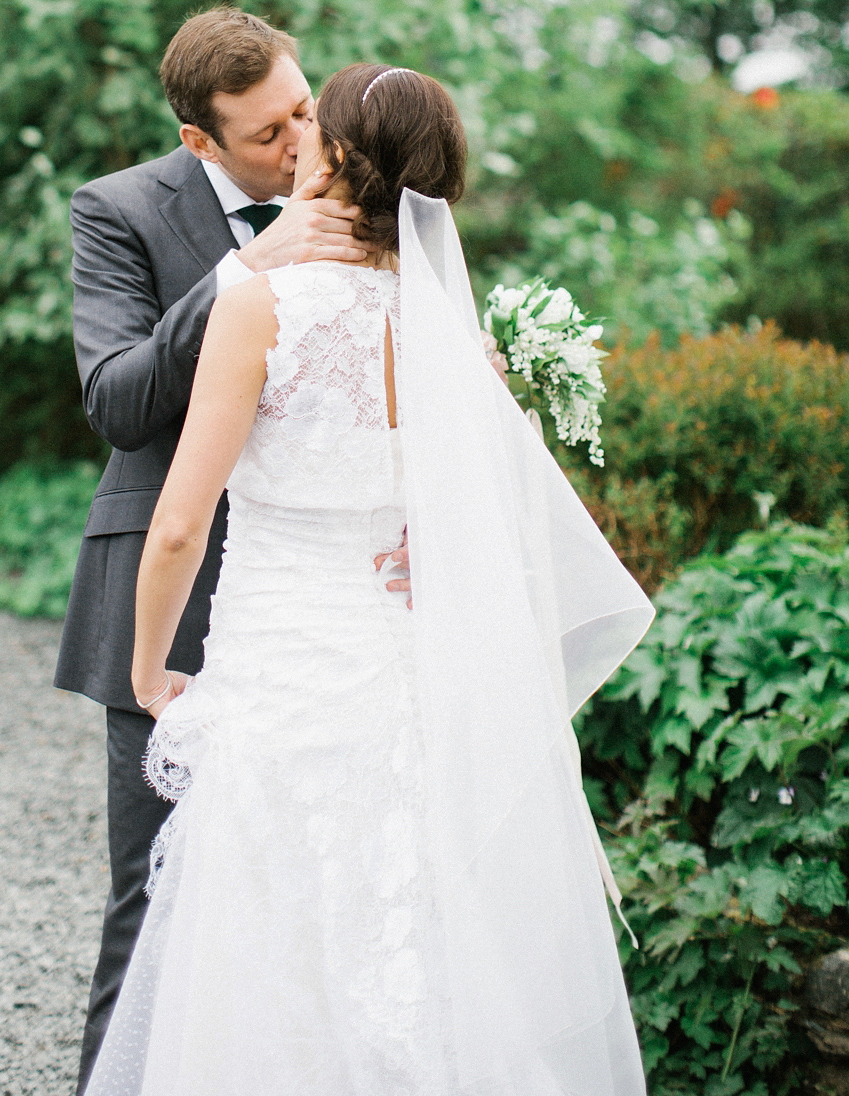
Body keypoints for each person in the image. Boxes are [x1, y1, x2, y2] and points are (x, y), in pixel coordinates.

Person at [83, 62, 655, 1096]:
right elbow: (467, 517)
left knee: (266, 930)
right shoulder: (450, 334)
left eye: (312, 119)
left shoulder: (260, 304)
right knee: (405, 922)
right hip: (402, 675)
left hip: (281, 672)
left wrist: (148, 670)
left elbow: (178, 524)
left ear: (338, 158)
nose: (295, 131)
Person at [57, 10, 375, 1091]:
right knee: (156, 891)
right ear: (200, 142)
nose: (298, 144)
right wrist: (248, 271)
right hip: (174, 598)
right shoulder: (117, 211)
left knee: (319, 898)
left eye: (302, 110)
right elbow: (118, 401)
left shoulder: (363, 188)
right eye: (265, 135)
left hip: (327, 611)